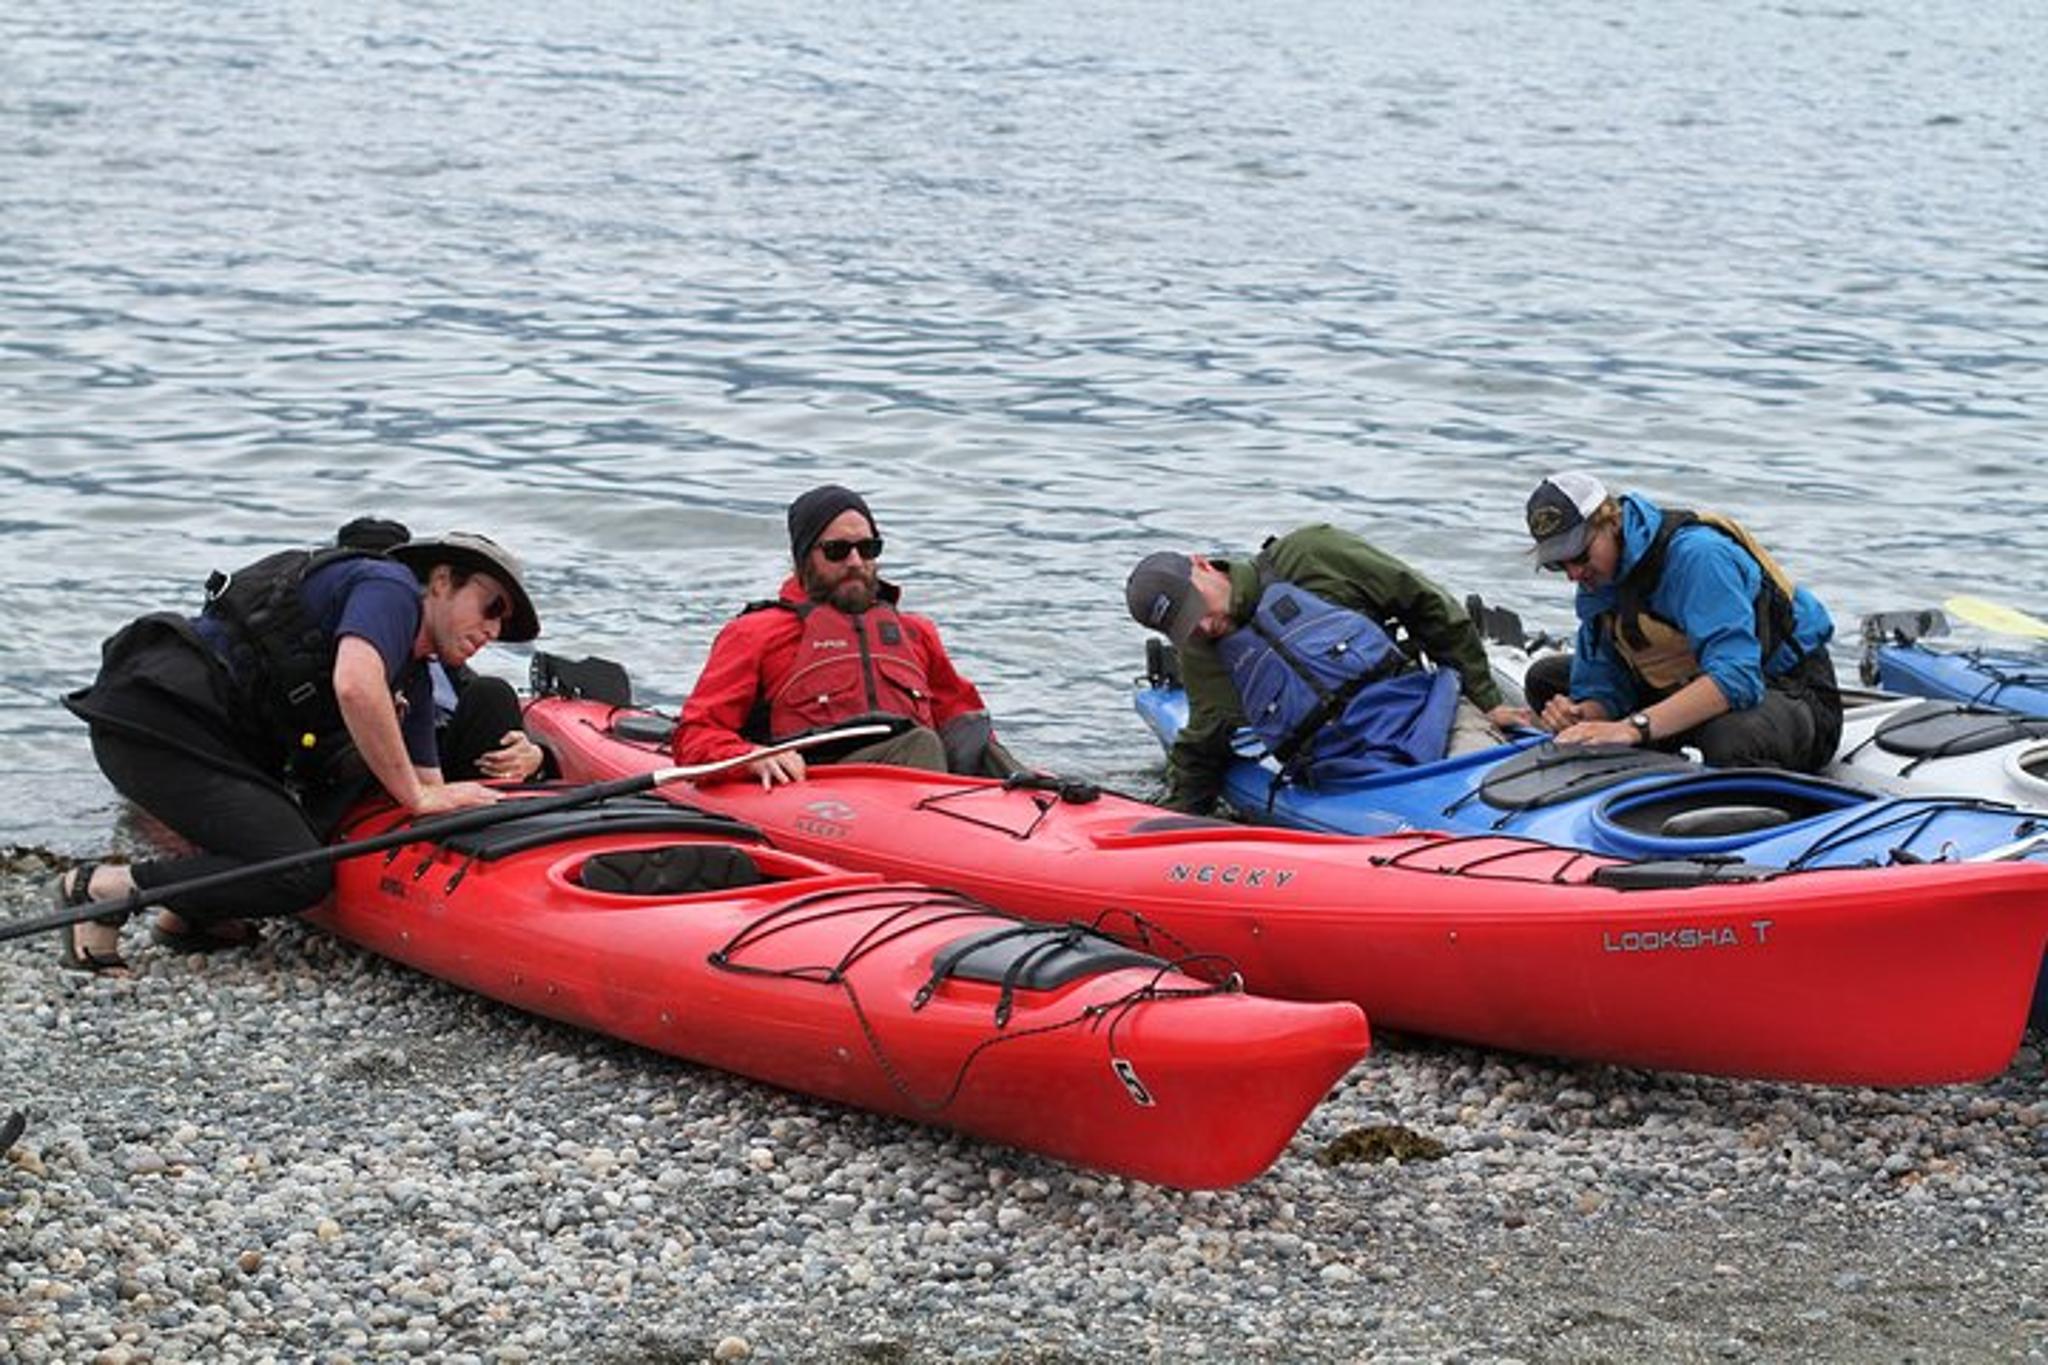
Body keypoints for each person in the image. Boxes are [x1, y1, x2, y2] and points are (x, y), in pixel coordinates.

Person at [53, 528, 542, 976]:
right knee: (299, 872)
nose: (494, 630)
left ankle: (193, 913)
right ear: (440, 582)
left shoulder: (413, 673)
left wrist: (530, 761)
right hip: (157, 727)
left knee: (293, 842)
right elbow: (355, 685)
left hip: (219, 747)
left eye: (505, 623)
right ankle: (100, 889)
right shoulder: (389, 588)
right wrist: (417, 795)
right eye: (491, 607)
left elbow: (432, 792)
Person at [1125, 525, 1530, 816]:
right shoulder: (1204, 653)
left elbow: (1428, 606)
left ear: (1203, 566)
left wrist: (1485, 700)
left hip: (1432, 720)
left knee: (1491, 803)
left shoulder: (1310, 555)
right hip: (1347, 776)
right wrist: (1172, 821)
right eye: (1186, 627)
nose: (1204, 627)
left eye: (1198, 609)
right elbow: (1206, 741)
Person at [675, 484, 1016, 786]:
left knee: (980, 741)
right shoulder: (755, 633)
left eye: (867, 548)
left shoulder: (916, 633)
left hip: (917, 780)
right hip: (819, 783)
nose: (855, 561)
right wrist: (750, 757)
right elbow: (694, 736)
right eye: (837, 550)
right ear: (803, 557)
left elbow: (964, 727)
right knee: (921, 743)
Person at [1521, 471, 1842, 771]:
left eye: (1579, 555)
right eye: (1558, 566)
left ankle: (1771, 811)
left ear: (1611, 521)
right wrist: (1580, 717)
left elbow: (1737, 678)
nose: (1574, 574)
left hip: (1788, 688)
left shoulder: (1698, 556)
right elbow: (1604, 686)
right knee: (1544, 680)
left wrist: (1632, 729)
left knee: (1728, 739)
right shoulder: (1598, 581)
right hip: (1683, 679)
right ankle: (1666, 746)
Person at [334, 518, 548, 784]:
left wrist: (535, 757)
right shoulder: (345, 646)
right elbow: (354, 689)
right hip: (371, 766)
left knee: (493, 693)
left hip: (443, 758)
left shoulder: (435, 655)